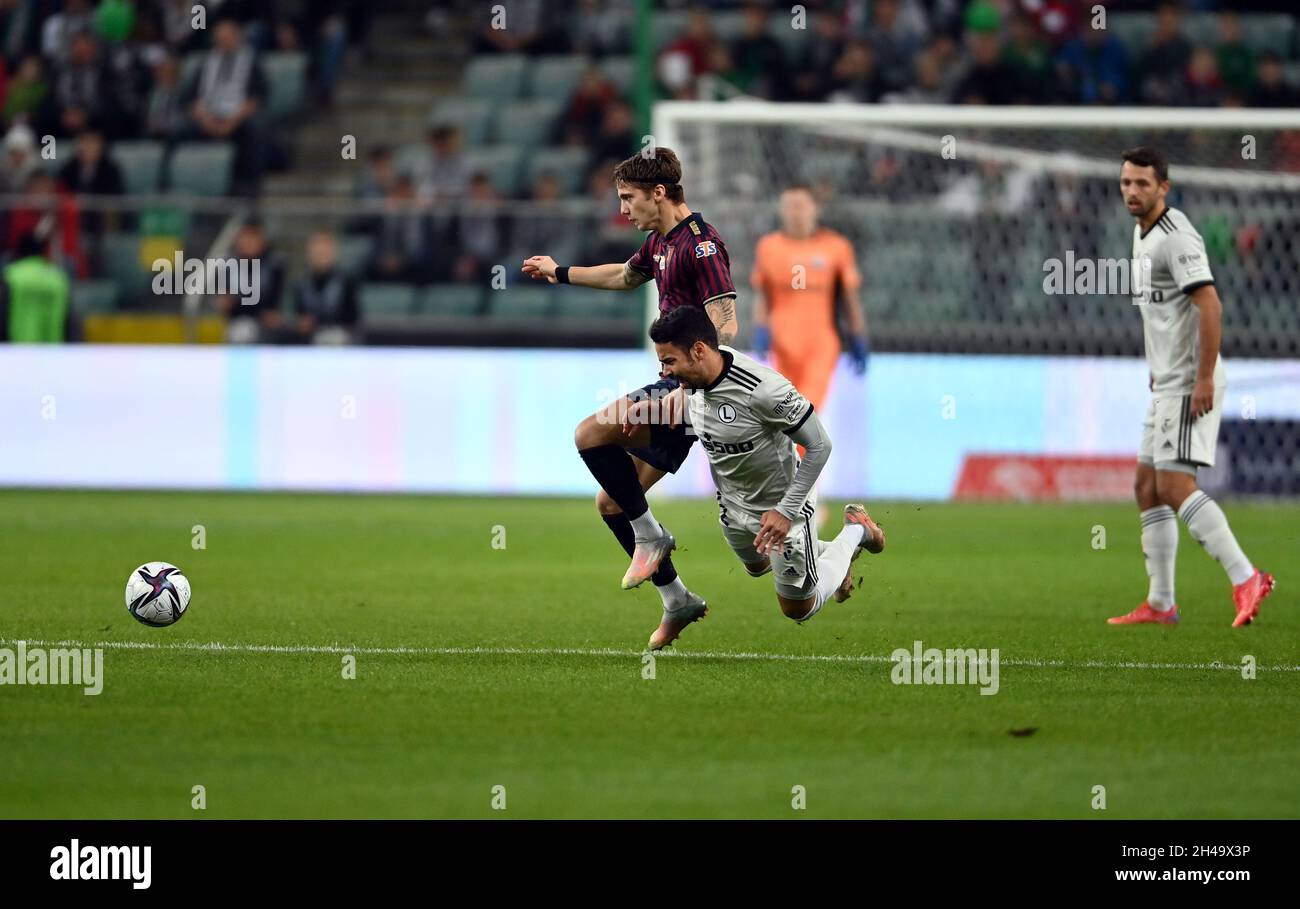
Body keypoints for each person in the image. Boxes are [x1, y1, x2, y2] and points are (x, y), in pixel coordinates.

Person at [521, 147, 738, 619]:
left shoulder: (700, 245)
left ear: (658, 194)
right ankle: (676, 599)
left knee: (589, 434)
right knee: (613, 503)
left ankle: (652, 537)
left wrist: (689, 384)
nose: (622, 209)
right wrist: (559, 272)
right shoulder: (661, 241)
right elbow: (623, 275)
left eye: (627, 197)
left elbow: (726, 324)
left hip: (693, 390)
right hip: (681, 388)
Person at [627, 305, 885, 650]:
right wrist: (650, 408)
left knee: (797, 608)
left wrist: (786, 511)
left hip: (784, 510)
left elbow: (820, 445)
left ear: (698, 351)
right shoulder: (696, 377)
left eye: (669, 361)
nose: (664, 371)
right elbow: (686, 397)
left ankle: (856, 531)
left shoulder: (763, 389)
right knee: (756, 566)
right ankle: (820, 560)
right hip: (734, 507)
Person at [1109, 147, 1273, 628]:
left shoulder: (1176, 238)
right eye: (1126, 183)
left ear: (1164, 187)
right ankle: (1161, 603)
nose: (1132, 192)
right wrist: (1158, 365)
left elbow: (1210, 305)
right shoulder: (1141, 234)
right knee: (1146, 486)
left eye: (1142, 184)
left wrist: (1201, 376)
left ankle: (1247, 576)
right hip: (1168, 378)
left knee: (1174, 485)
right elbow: (1164, 312)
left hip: (1189, 380)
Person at [750, 184, 868, 414]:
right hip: (782, 344)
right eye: (790, 206)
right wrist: (760, 329)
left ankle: (797, 450)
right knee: (783, 413)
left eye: (802, 206)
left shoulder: (836, 247)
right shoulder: (768, 247)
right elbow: (763, 294)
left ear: (816, 209)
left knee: (806, 412)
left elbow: (849, 297)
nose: (796, 213)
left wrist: (858, 335)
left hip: (820, 344)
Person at [0, 231, 71, 343]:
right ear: (42, 252)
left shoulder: (12, 276)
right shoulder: (58, 279)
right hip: (54, 352)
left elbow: (3, 314)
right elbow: (68, 319)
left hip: (17, 351)